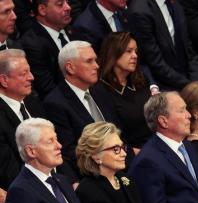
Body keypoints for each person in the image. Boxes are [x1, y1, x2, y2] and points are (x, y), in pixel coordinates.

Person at [127, 0, 198, 127]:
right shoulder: (140, 11)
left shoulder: (176, 4)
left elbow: (189, 50)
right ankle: (194, 142)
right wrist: (190, 85)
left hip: (187, 78)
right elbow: (156, 64)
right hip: (163, 83)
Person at [129, 92, 198, 203]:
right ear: (163, 121)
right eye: (181, 110)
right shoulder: (148, 160)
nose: (189, 115)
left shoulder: (189, 148)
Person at [43, 40, 117, 182]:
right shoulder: (55, 103)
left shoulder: (100, 91)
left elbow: (119, 130)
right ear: (70, 68)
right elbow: (70, 151)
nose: (96, 66)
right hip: (93, 176)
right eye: (89, 61)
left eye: (96, 60)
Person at [96, 31, 152, 152]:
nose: (135, 56)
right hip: (133, 152)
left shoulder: (140, 80)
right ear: (113, 53)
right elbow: (114, 132)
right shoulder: (101, 89)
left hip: (155, 142)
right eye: (129, 51)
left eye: (136, 51)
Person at [0, 49, 45, 190]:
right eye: (23, 73)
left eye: (29, 71)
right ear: (4, 80)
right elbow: (9, 171)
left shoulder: (33, 102)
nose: (31, 77)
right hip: (29, 189)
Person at [20, 0, 75, 98]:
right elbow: (48, 89)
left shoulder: (74, 30)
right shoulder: (32, 44)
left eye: (67, 2)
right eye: (60, 4)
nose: (68, 7)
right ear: (42, 10)